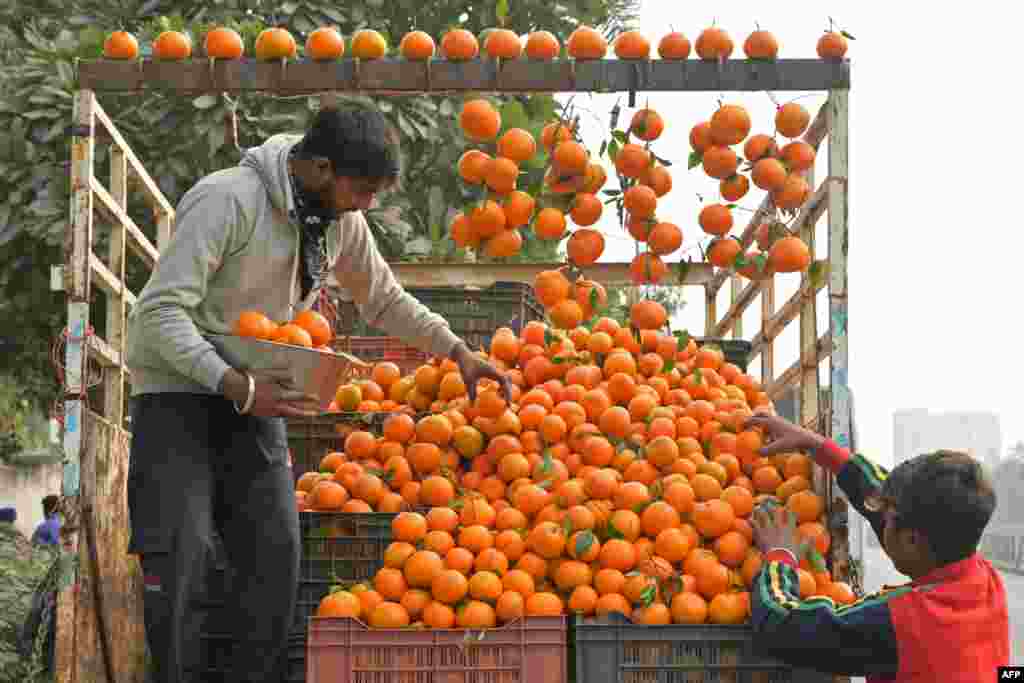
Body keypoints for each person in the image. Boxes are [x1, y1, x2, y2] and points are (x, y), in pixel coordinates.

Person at [124, 102, 510, 683]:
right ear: (323, 168)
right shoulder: (227, 200)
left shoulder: (338, 222)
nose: (369, 204)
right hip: (179, 395)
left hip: (258, 399)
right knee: (182, 559)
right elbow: (158, 313)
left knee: (275, 560)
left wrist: (458, 351)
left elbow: (383, 298)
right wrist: (235, 384)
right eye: (364, 189)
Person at [745, 413, 1009, 682]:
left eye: (888, 516)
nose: (881, 516)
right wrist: (817, 445)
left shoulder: (900, 623)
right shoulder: (985, 581)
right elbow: (891, 498)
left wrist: (779, 555)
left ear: (911, 540)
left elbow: (781, 628)